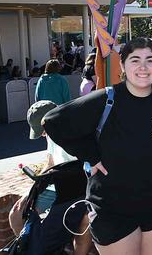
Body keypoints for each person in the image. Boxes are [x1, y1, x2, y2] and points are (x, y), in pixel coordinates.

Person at [42, 38, 152, 254]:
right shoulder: (106, 99)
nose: (143, 67)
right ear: (123, 65)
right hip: (112, 207)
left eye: (150, 60)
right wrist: (90, 154)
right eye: (135, 60)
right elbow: (53, 121)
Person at [8, 100, 92, 255]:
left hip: (79, 188)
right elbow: (51, 162)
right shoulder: (51, 133)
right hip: (54, 186)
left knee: (84, 221)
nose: (43, 134)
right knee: (16, 213)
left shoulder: (77, 130)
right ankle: (27, 247)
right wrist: (35, 186)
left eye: (43, 130)